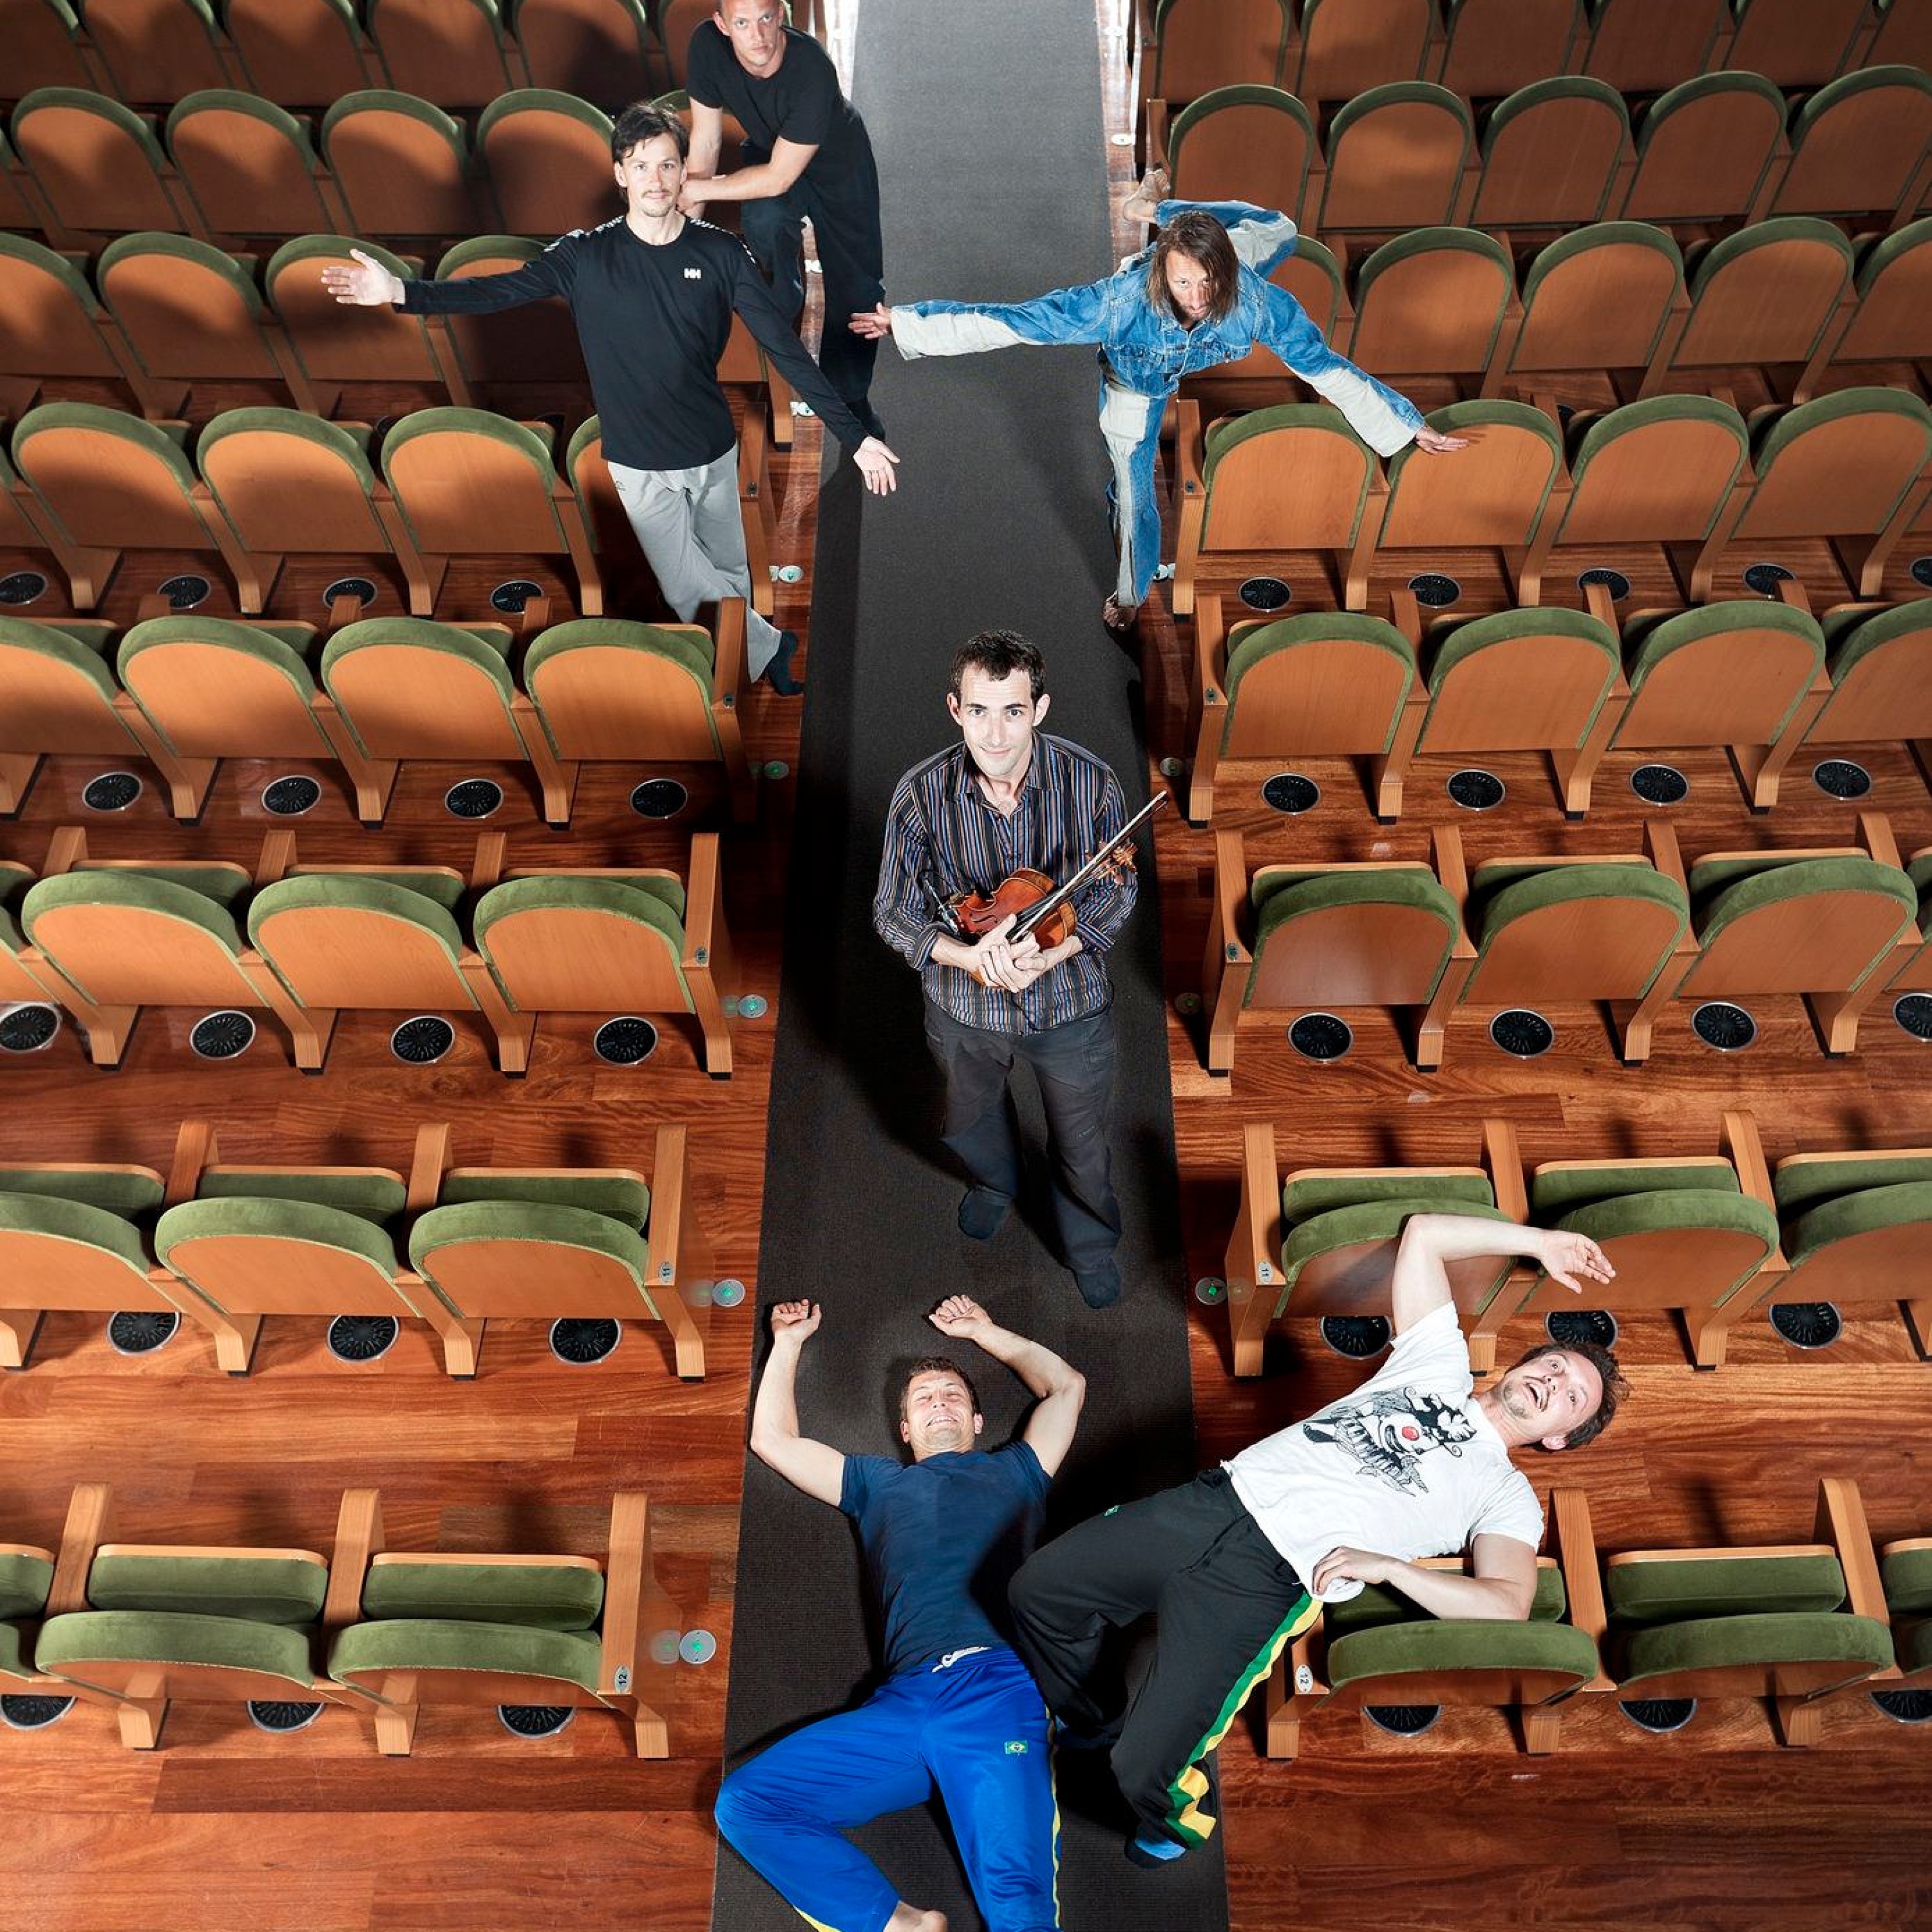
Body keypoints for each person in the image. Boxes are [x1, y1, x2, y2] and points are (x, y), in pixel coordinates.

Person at [1006, 1212, 1629, 1867]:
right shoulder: (1439, 1363)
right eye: (1555, 1364)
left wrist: (1393, 1569)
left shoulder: (1506, 1494)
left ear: (1559, 1438)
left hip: (1268, 1579)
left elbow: (1507, 1602)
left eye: (1572, 1397)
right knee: (1038, 1593)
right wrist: (1539, 1243)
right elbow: (1424, 1235)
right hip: (1216, 1501)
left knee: (1142, 1771)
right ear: (1525, 1361)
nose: (1555, 1382)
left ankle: (1173, 1827)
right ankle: (1092, 1714)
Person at [321, 100, 898, 696]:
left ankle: (746, 662)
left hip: (711, 447)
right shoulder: (584, 257)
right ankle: (769, 645)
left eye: (667, 165)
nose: (656, 179)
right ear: (621, 173)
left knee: (729, 573)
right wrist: (401, 292)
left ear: (685, 172)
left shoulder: (721, 254)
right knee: (685, 588)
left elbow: (785, 349)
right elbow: (494, 292)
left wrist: (853, 437)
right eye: (641, 166)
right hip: (638, 461)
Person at [851, 168, 1466, 633]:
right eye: (1183, 281)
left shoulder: (1251, 299)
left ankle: (1152, 208)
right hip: (1136, 384)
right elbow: (1012, 322)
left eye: (1207, 281)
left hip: (1216, 270)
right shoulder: (1115, 305)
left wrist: (1406, 425)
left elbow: (1325, 368)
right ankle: (1130, 592)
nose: (1196, 297)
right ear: (1163, 274)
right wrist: (904, 322)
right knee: (1135, 493)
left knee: (1280, 227)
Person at [714, 1293, 1086, 1932]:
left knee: (1017, 1905)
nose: (938, 1402)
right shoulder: (875, 1484)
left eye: (951, 1395)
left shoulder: (1019, 1470)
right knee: (748, 1804)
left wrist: (986, 1333)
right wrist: (788, 1344)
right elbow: (773, 1440)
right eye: (923, 1399)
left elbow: (1066, 1388)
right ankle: (902, 1926)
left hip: (997, 1688)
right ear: (906, 1430)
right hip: (904, 1703)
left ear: (975, 1419)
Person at [873, 630, 1138, 1309]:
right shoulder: (919, 795)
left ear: (1039, 709)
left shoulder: (1093, 783)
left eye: (1013, 711)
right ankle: (996, 1183)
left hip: (1069, 1003)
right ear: (955, 710)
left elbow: (1116, 891)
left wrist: (1054, 952)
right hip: (965, 1007)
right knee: (972, 1116)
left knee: (1082, 1140)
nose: (995, 734)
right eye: (979, 711)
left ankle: (1090, 1244)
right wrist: (966, 956)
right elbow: (892, 911)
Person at [681, 1, 887, 437]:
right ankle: (785, 286)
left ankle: (851, 399)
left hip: (839, 166)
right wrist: (682, 235)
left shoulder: (812, 67)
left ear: (781, 15)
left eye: (765, 19)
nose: (756, 35)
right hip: (771, 151)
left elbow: (778, 178)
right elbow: (705, 143)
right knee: (763, 218)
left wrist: (699, 189)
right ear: (722, 25)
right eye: (741, 23)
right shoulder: (706, 46)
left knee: (858, 290)